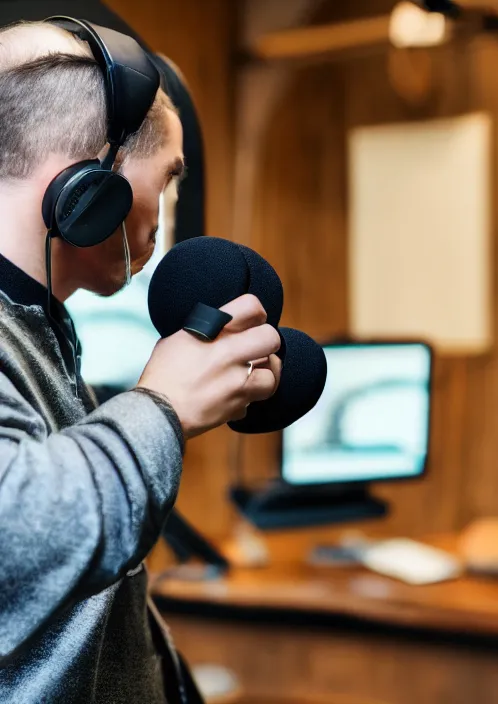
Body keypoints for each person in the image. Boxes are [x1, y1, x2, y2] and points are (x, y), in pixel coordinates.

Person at [0, 19, 281, 704]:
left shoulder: (39, 326)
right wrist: (162, 407)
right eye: (169, 178)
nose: (167, 210)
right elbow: (15, 528)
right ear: (92, 185)